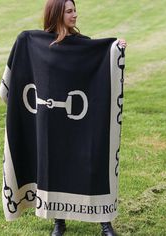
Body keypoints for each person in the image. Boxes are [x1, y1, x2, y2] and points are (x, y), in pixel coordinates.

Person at [43, 0, 127, 235]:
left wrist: (115, 48)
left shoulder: (84, 45)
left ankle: (104, 222)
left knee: (91, 164)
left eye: (75, 10)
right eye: (69, 11)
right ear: (57, 14)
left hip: (83, 118)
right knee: (57, 166)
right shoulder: (41, 45)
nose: (75, 15)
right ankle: (59, 221)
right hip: (54, 120)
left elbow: (100, 64)